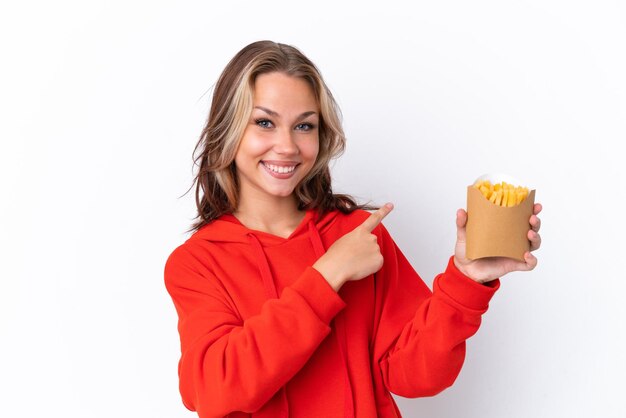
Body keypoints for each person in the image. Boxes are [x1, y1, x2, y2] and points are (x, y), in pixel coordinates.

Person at [164, 40, 542, 418]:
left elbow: (415, 376)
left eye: (304, 126)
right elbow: (213, 390)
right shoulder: (198, 262)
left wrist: (465, 279)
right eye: (265, 122)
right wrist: (329, 273)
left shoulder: (360, 234)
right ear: (228, 130)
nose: (287, 145)